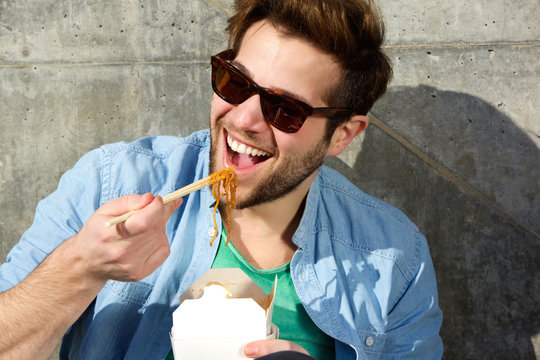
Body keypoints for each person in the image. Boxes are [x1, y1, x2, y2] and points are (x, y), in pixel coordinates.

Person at [0, 0, 443, 359]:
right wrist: (81, 267)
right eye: (234, 82)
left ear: (342, 135)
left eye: (285, 109)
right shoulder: (112, 182)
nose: (243, 118)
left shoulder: (395, 258)